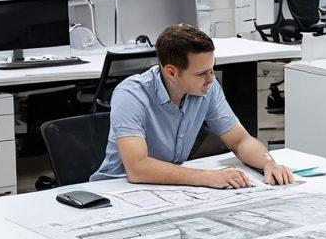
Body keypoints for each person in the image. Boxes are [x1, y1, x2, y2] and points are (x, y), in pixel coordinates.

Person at [91, 23, 295, 187]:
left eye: (212, 70)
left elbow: (240, 141)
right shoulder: (131, 95)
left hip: (167, 188)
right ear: (171, 72)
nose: (210, 79)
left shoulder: (207, 88)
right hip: (117, 191)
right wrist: (207, 177)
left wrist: (269, 163)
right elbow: (137, 168)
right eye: (201, 74)